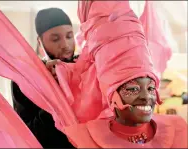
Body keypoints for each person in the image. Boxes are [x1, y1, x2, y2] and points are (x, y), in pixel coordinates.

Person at [55, 1, 187, 148]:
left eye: (150, 88)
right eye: (133, 89)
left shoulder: (178, 130)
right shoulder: (85, 138)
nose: (146, 97)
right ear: (111, 94)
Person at [11, 8, 76, 148]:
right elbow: (29, 135)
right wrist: (53, 92)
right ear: (40, 41)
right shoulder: (26, 78)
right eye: (55, 39)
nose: (65, 45)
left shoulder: (84, 66)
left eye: (69, 36)